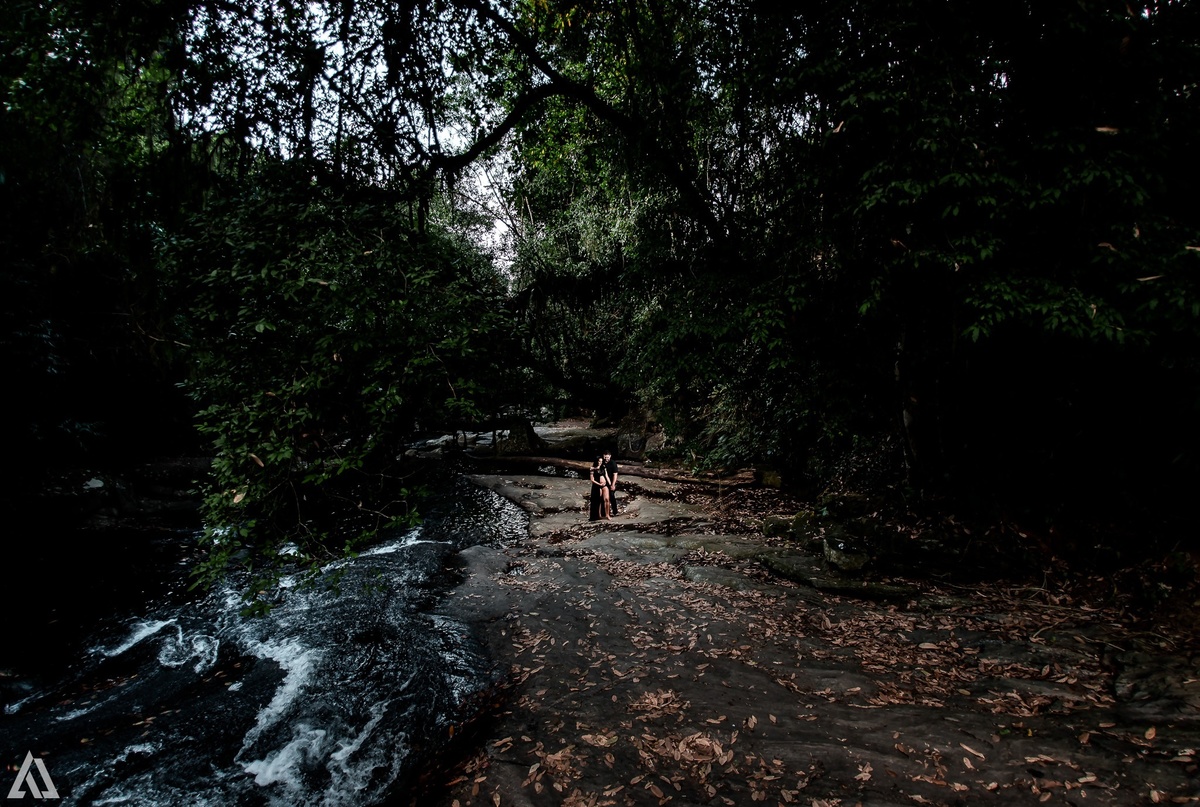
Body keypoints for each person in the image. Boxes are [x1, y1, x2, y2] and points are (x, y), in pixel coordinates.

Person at [588, 455, 610, 521]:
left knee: (606, 499)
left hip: (604, 484)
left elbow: (606, 475)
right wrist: (599, 484)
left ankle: (607, 514)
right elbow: (592, 479)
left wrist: (610, 483)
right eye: (599, 461)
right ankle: (599, 514)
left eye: (601, 461)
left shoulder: (603, 467)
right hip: (598, 485)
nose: (600, 462)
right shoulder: (592, 468)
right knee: (598, 500)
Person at [601, 449, 619, 516]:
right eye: (605, 457)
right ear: (603, 456)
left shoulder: (613, 463)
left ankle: (615, 512)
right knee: (603, 498)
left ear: (610, 456)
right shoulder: (602, 462)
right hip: (603, 482)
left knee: (611, 496)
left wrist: (613, 484)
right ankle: (603, 513)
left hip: (611, 481)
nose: (606, 459)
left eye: (607, 457)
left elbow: (615, 474)